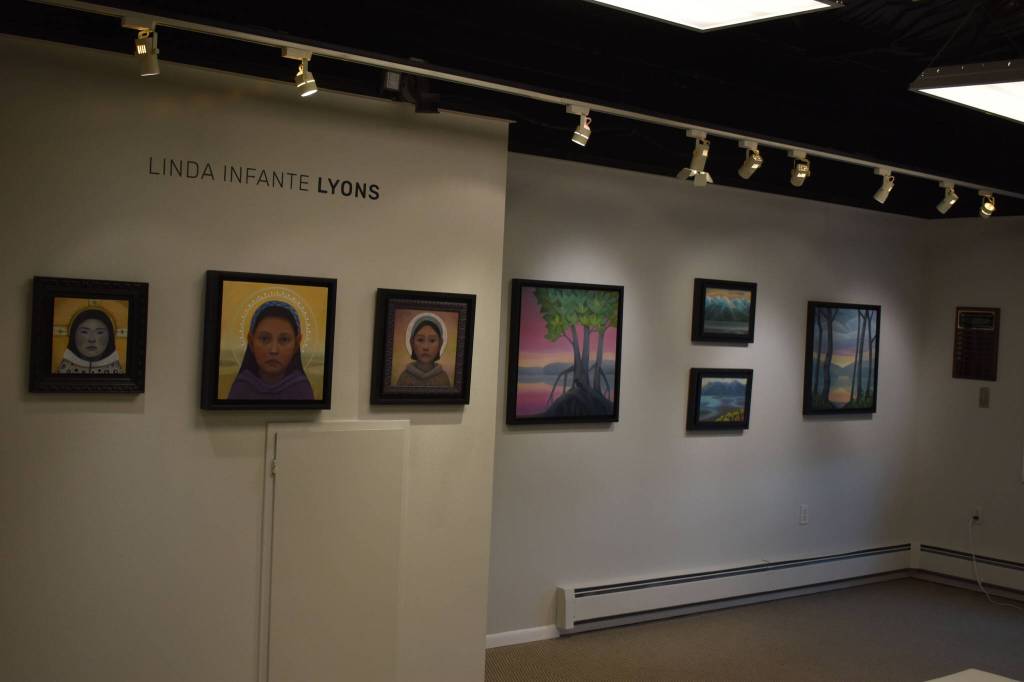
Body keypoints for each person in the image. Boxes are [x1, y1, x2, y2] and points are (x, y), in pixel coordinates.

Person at [228, 300, 314, 400]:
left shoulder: (301, 389)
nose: (274, 350)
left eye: (284, 339)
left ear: (296, 344)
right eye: (264, 339)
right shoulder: (241, 388)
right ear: (251, 342)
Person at [57, 307, 124, 374]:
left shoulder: (116, 370)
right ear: (73, 335)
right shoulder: (64, 369)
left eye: (99, 332)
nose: (92, 339)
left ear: (110, 337)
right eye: (84, 332)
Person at [396, 314, 451, 387]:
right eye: (420, 340)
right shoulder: (404, 378)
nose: (426, 347)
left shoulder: (443, 378)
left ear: (440, 344)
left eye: (432, 340)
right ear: (412, 342)